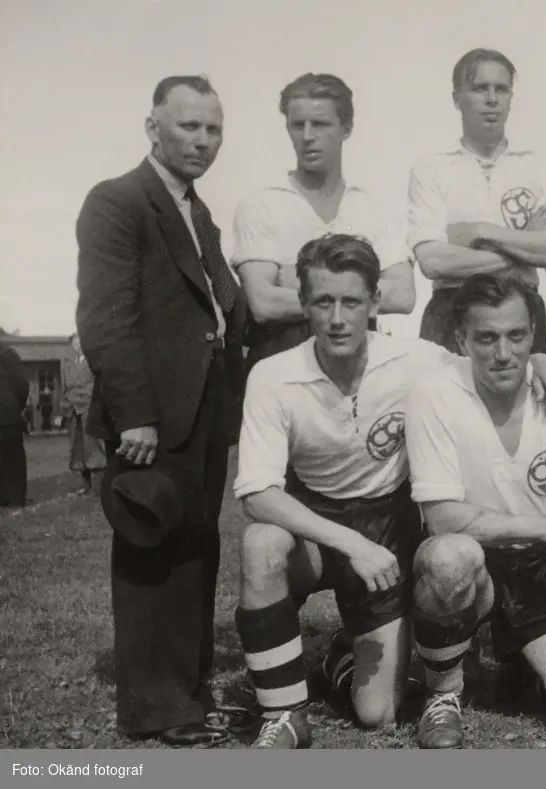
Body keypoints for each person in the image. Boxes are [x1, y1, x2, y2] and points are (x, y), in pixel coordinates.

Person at [232, 236, 546, 749]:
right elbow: (257, 493)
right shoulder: (273, 375)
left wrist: (542, 358)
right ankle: (282, 714)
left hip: (389, 523)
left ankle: (344, 656)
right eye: (324, 302)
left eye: (352, 302)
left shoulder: (414, 359)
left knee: (379, 713)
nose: (338, 318)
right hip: (315, 527)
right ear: (305, 306)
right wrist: (350, 545)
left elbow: (487, 356)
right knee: (260, 544)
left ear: (375, 302)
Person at [75, 76, 249, 746]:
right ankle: (154, 706)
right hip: (154, 416)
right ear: (153, 128)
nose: (204, 141)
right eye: (189, 127)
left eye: (214, 129)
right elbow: (105, 318)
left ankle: (189, 693)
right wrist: (135, 414)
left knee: (193, 549)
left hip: (200, 412)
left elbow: (214, 309)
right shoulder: (119, 203)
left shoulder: (194, 210)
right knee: (152, 546)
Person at [404, 274, 546, 749]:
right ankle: (443, 695)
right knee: (449, 559)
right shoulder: (435, 393)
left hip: (535, 570)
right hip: (473, 557)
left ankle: (517, 658)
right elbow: (441, 518)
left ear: (533, 336)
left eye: (517, 336)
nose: (503, 353)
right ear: (460, 339)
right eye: (486, 337)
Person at [231, 74, 416, 372]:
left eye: (320, 124)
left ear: (346, 128)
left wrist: (291, 276)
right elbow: (263, 303)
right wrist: (357, 290)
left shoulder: (372, 209)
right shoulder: (262, 206)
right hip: (282, 364)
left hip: (358, 367)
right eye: (297, 125)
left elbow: (405, 296)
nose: (307, 136)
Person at [407, 48, 546, 355]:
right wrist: (527, 245)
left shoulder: (538, 167)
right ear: (457, 97)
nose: (492, 99)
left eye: (501, 89)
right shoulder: (432, 169)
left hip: (521, 309)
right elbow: (433, 261)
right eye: (479, 88)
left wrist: (483, 231)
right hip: (452, 310)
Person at [61, 334, 106, 494]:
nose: (77, 346)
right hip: (73, 409)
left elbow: (97, 386)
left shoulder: (93, 362)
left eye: (80, 342)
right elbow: (65, 388)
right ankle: (84, 484)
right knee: (77, 445)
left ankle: (99, 485)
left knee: (92, 444)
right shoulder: (68, 364)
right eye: (74, 343)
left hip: (89, 406)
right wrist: (63, 408)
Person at [0, 334, 28, 507]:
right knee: (11, 459)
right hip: (9, 413)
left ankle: (15, 500)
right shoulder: (8, 353)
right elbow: (22, 385)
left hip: (7, 415)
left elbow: (21, 385)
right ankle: (9, 499)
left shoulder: (7, 354)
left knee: (12, 458)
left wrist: (15, 406)